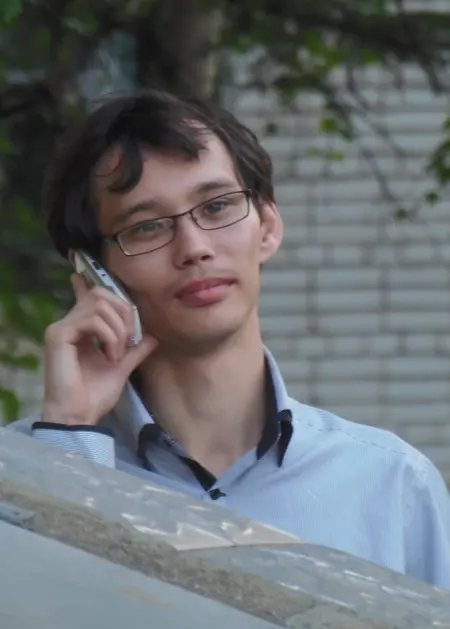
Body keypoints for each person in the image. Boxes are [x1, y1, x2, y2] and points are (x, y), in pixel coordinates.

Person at [7, 90, 450, 588]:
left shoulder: (392, 483)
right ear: (94, 271)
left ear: (268, 227)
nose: (194, 248)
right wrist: (69, 436)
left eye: (217, 207)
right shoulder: (17, 473)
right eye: (147, 227)